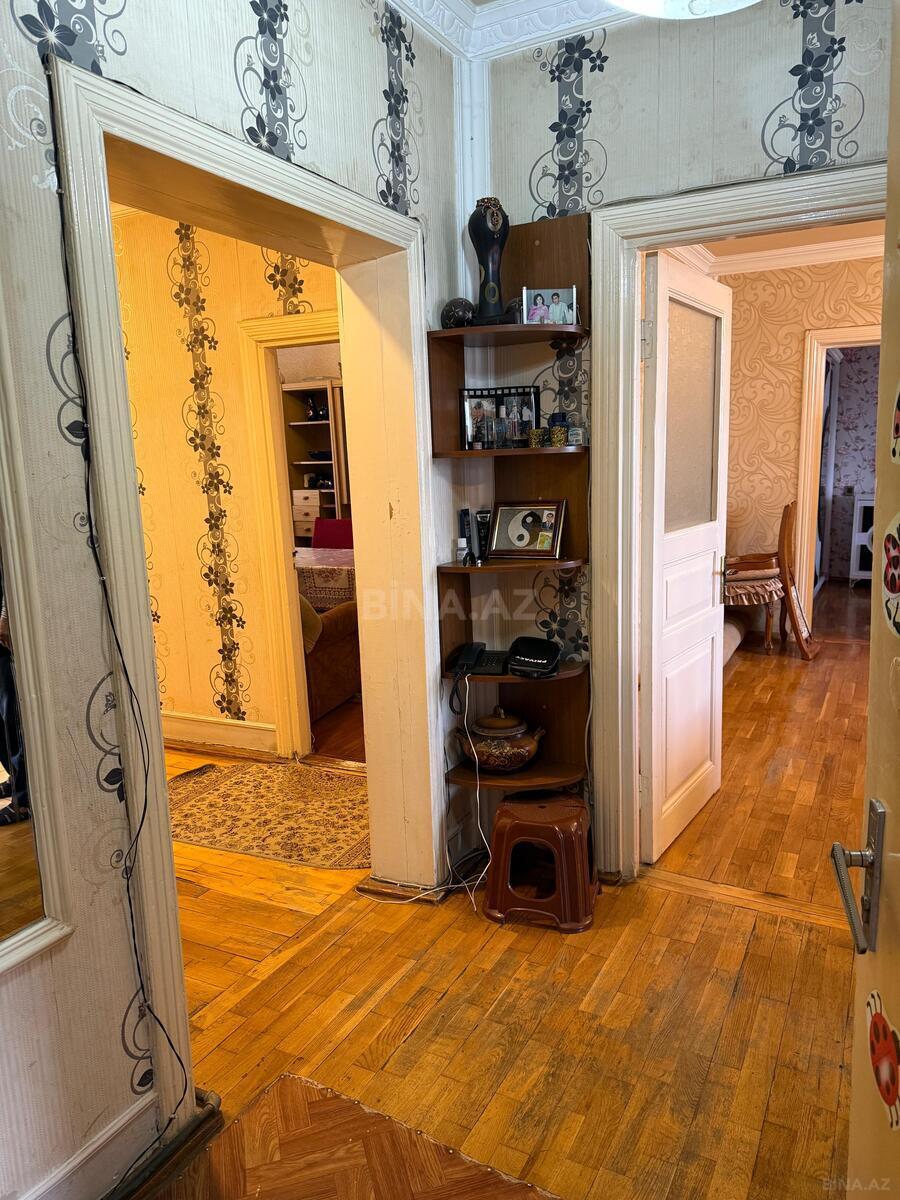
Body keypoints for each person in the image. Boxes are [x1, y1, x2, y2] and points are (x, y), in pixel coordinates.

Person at [0, 552, 29, 825]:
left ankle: (24, 799)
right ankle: (14, 775)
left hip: (5, 634)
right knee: (1, 719)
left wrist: (6, 616)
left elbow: (9, 569)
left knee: (12, 717)